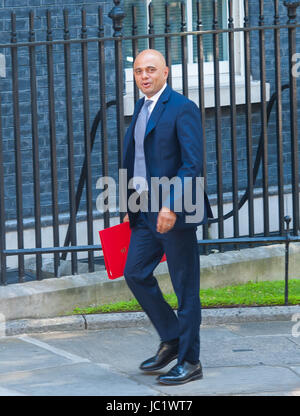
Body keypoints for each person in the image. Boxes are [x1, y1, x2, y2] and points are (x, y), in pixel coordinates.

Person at [122, 49, 213, 385]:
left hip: (174, 213)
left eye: (150, 70)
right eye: (138, 71)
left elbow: (192, 164)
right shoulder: (142, 109)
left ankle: (191, 361)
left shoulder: (181, 108)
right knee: (134, 272)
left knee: (185, 288)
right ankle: (172, 337)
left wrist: (171, 205)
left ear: (166, 72)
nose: (144, 76)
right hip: (145, 211)